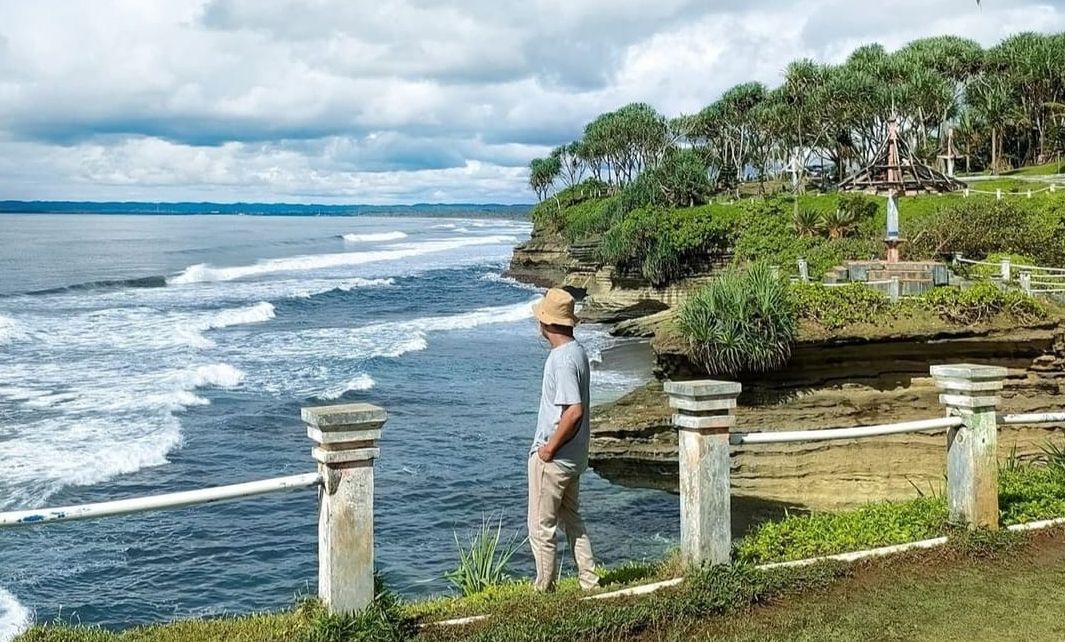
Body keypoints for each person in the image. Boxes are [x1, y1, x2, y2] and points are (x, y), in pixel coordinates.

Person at [528, 288, 599, 592]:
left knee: (540, 526)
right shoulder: (578, 351)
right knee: (572, 518)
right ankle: (589, 580)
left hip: (555, 458)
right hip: (574, 456)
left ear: (547, 323)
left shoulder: (561, 359)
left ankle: (545, 587)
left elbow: (573, 412)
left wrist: (548, 450)